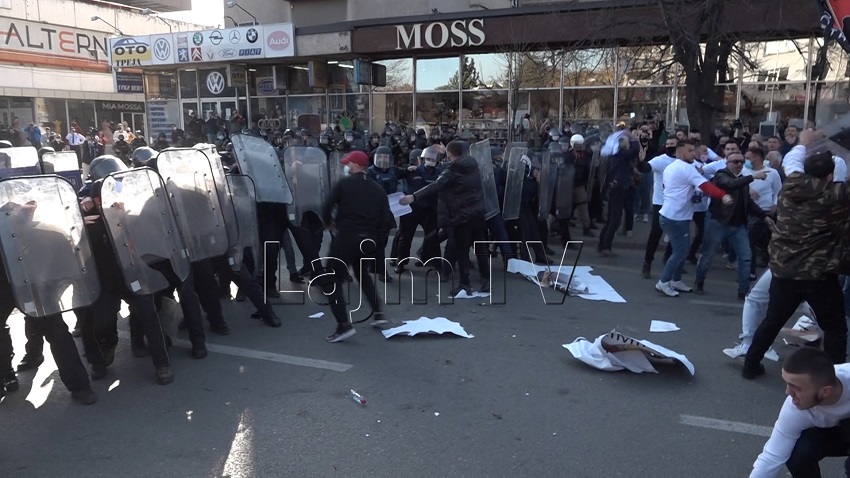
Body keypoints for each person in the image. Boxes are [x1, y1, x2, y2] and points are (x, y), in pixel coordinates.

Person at [743, 131, 850, 379]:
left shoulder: (791, 187)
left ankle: (750, 365)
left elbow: (791, 163)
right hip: (818, 275)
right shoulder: (839, 197)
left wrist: (803, 144)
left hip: (784, 270)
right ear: (831, 176)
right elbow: (839, 176)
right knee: (835, 328)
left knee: (772, 320)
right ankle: (834, 377)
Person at [320, 150, 395, 343]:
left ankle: (343, 325)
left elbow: (326, 207)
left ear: (354, 165)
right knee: (362, 274)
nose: (347, 166)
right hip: (368, 239)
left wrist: (329, 223)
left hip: (346, 236)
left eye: (349, 163)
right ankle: (378, 313)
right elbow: (386, 219)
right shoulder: (378, 189)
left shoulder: (344, 184)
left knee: (331, 279)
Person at [400, 140, 489, 296]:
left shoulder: (453, 170)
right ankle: (485, 279)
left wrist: (414, 197)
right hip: (477, 213)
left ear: (449, 154)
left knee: (461, 251)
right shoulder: (473, 165)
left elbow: (436, 185)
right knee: (480, 247)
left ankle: (464, 284)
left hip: (461, 215)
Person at [750, 347, 850, 477]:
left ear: (826, 391)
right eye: (787, 384)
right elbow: (771, 458)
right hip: (838, 433)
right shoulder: (794, 408)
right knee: (797, 452)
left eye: (796, 387)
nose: (788, 392)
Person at [655, 140, 732, 297]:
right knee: (680, 252)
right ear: (681, 152)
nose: (694, 153)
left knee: (682, 250)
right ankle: (663, 282)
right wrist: (723, 195)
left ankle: (676, 280)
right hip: (675, 217)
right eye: (690, 151)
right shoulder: (685, 168)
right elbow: (706, 186)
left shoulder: (673, 167)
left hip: (674, 216)